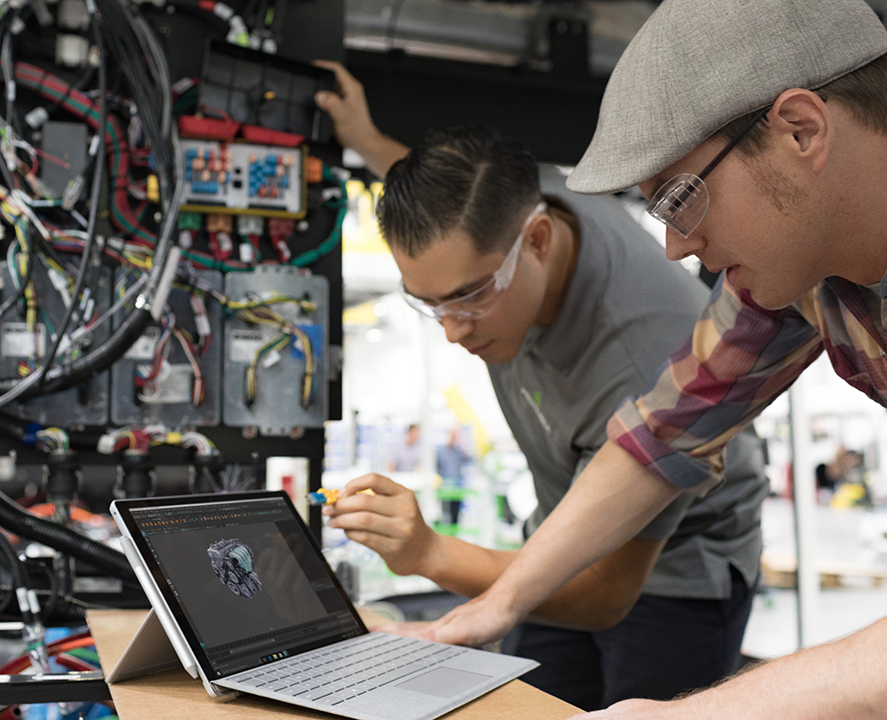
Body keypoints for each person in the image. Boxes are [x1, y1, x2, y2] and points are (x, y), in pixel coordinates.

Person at [343, 0, 887, 717]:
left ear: (800, 130)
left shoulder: (656, 314)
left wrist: (682, 713)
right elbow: (661, 433)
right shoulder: (791, 277)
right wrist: (496, 606)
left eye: (683, 198)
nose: (674, 248)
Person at [314, 68, 768, 710]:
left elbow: (607, 597)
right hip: (556, 539)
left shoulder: (644, 357)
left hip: (674, 571)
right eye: (427, 303)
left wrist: (430, 552)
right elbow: (447, 210)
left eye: (468, 298)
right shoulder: (505, 199)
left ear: (538, 241)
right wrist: (366, 142)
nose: (450, 330)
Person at [435, 427, 471, 526]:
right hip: (445, 488)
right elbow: (436, 467)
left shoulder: (459, 452)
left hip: (457, 487)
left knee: (456, 515)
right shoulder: (441, 452)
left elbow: (470, 459)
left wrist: (461, 443)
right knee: (445, 515)